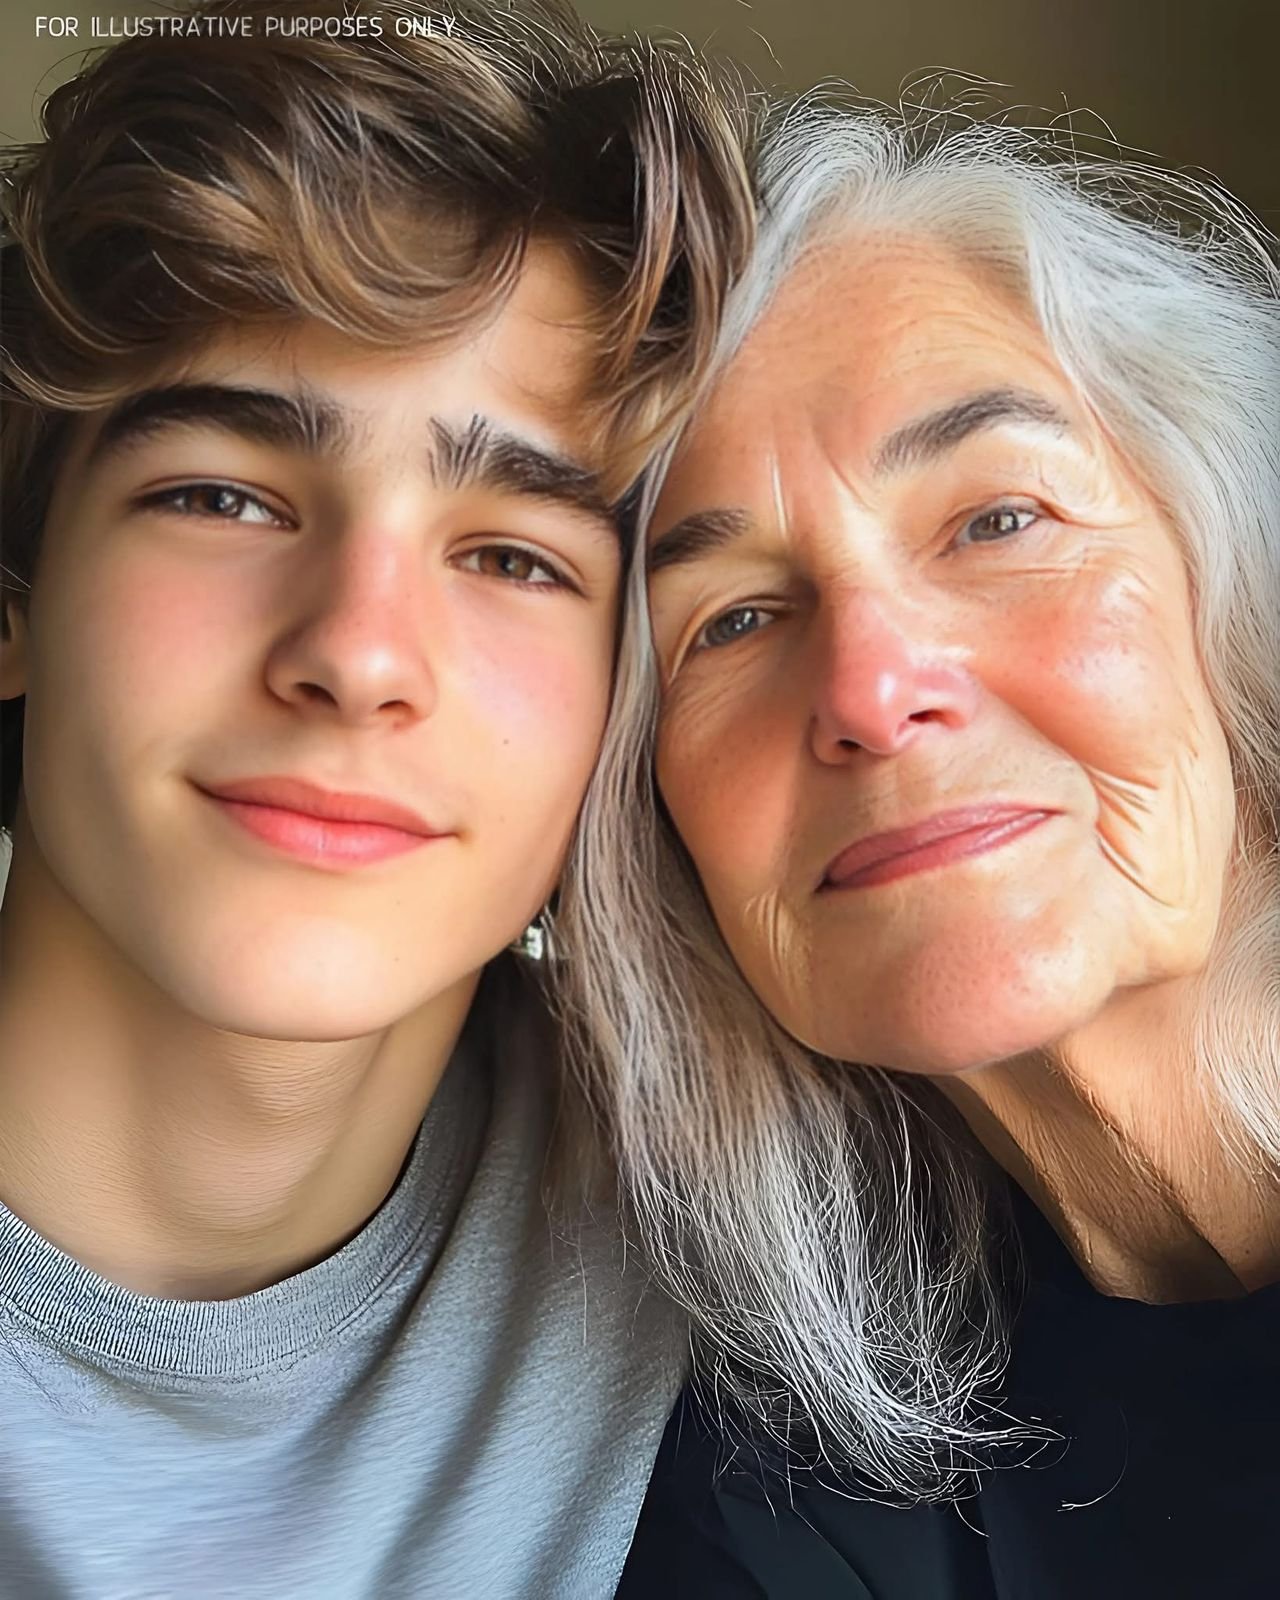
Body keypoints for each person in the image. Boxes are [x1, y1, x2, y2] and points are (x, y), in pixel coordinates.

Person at [0, 2, 751, 1593]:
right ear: (18, 597)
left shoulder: (762, 1240)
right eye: (222, 495)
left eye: (514, 557)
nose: (358, 654)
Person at [563, 99, 1280, 1598]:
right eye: (731, 621)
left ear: (1234, 584)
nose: (872, 691)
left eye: (999, 520)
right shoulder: (778, 1489)